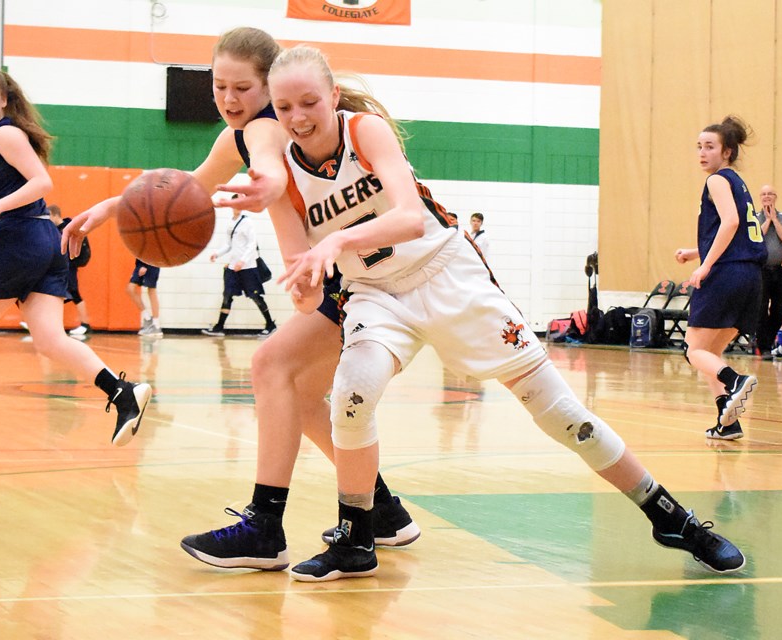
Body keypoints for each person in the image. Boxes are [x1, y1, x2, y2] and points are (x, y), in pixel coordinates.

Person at [251, 44, 746, 582]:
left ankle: (670, 516)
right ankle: (356, 538)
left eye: (309, 102)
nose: (298, 117)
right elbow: (302, 290)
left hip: (447, 274)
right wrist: (305, 283)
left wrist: (336, 241)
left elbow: (411, 219)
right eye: (284, 107)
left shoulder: (364, 130)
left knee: (562, 415)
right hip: (375, 292)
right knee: (351, 393)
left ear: (331, 97)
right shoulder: (282, 179)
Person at [61, 28, 420, 571]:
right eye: (219, 85)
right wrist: (115, 205)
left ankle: (265, 525)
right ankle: (383, 511)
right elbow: (194, 184)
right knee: (293, 390)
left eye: (243, 88)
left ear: (269, 86)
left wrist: (268, 186)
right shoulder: (241, 135)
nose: (229, 99)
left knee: (271, 364)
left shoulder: (271, 129)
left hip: (373, 275)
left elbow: (270, 167)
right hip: (348, 271)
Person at [0, 68, 152, 451]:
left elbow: (41, 183)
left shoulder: (5, 133)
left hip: (17, 240)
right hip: (41, 239)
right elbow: (16, 196)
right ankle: (122, 392)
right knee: (51, 339)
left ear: (4, 98)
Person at [674, 115, 767, 441]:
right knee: (709, 353)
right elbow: (738, 232)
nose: (702, 153)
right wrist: (695, 251)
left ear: (727, 151)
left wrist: (705, 266)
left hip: (726, 275)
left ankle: (736, 380)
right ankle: (728, 422)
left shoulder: (716, 180)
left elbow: (729, 224)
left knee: (692, 350)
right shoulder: (737, 183)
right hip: (750, 276)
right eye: (699, 146)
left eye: (710, 147)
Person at [202, 198, 277, 337]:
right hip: (233, 267)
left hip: (248, 267)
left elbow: (252, 244)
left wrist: (242, 261)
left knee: (255, 296)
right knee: (227, 296)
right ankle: (219, 327)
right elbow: (229, 245)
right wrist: (216, 254)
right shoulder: (231, 223)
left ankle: (270, 325)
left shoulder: (247, 222)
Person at [752, 185, 782, 357]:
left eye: (770, 194)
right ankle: (765, 346)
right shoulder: (754, 217)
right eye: (764, 194)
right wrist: (767, 220)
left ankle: (764, 341)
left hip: (780, 269)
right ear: (760, 198)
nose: (767, 196)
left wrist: (775, 220)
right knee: (761, 309)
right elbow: (754, 238)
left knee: (779, 310)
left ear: (775, 197)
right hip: (761, 269)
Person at [46, 204, 93, 337]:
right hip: (61, 267)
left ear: (55, 215)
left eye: (49, 216)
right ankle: (46, 324)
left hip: (69, 266)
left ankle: (85, 324)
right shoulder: (55, 230)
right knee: (57, 295)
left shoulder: (68, 228)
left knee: (73, 292)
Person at [127, 258, 163, 337]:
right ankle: (147, 318)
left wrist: (145, 265)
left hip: (152, 263)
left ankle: (156, 325)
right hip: (140, 263)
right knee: (130, 289)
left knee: (151, 290)